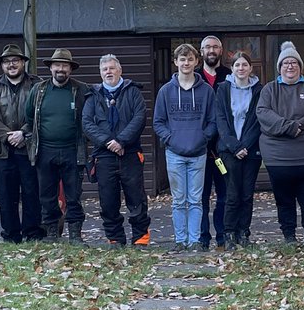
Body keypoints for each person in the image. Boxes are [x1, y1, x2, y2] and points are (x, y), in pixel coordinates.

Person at [256, 41, 304, 246]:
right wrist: (289, 127)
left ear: (300, 66)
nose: (290, 66)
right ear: (279, 67)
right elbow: (263, 113)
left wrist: (298, 125)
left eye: (294, 63)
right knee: (284, 200)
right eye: (286, 63)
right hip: (279, 160)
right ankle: (288, 236)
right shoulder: (270, 90)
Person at [82, 54, 150, 248]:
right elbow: (87, 123)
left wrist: (121, 141)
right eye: (104, 69)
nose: (108, 72)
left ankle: (140, 237)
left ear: (120, 70)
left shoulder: (133, 92)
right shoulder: (93, 95)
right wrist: (108, 142)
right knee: (108, 200)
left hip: (130, 153)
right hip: (104, 156)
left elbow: (139, 118)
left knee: (136, 198)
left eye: (112, 68)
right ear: (100, 73)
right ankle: (115, 239)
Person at [154, 43, 217, 252]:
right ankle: (180, 241)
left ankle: (195, 241)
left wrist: (203, 138)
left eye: (190, 59)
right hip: (174, 153)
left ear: (196, 62)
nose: (186, 63)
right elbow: (158, 122)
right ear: (176, 62)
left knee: (196, 200)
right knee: (179, 201)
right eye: (182, 59)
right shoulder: (165, 91)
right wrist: (170, 139)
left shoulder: (206, 91)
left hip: (199, 152)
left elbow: (213, 121)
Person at [25, 48, 91, 243]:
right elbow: (29, 116)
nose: (60, 69)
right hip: (45, 150)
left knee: (74, 194)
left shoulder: (81, 89)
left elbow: (89, 118)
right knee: (47, 194)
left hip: (73, 149)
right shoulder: (39, 90)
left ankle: (75, 235)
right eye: (57, 65)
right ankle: (52, 233)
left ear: (70, 69)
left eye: (65, 65)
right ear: (51, 68)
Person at [0, 44, 41, 243]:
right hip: (3, 150)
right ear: (2, 66)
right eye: (7, 62)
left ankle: (32, 233)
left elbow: (40, 114)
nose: (11, 65)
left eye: (15, 60)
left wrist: (23, 133)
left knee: (32, 192)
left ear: (23, 62)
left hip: (29, 148)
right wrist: (8, 135)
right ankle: (11, 235)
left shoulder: (36, 84)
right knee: (6, 195)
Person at [214, 51, 263, 250]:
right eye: (237, 65)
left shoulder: (259, 90)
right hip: (228, 150)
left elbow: (258, 121)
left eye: (244, 65)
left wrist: (245, 146)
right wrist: (235, 147)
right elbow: (221, 121)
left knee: (247, 194)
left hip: (251, 150)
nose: (241, 68)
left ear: (250, 68)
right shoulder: (222, 89)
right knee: (232, 193)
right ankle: (229, 233)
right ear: (232, 68)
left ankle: (244, 232)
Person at [197, 35, 232, 249]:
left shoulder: (229, 76)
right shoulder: (193, 77)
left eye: (215, 47)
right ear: (201, 52)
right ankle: (202, 237)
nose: (211, 50)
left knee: (224, 196)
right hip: (199, 150)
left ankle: (222, 235)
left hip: (223, 150)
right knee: (200, 198)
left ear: (221, 51)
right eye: (207, 47)